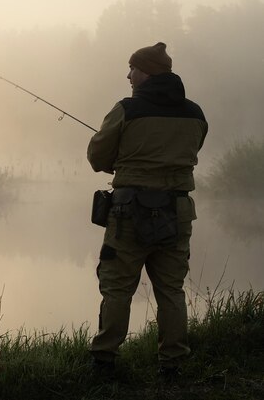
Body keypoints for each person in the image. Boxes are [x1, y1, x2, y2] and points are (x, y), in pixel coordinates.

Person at [86, 42, 208, 374]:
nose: (128, 75)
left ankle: (104, 360)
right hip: (177, 213)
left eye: (133, 69)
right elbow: (191, 150)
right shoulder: (196, 114)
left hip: (128, 214)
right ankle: (173, 363)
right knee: (171, 290)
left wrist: (123, 163)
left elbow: (97, 157)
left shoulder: (127, 109)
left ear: (148, 72)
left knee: (117, 287)